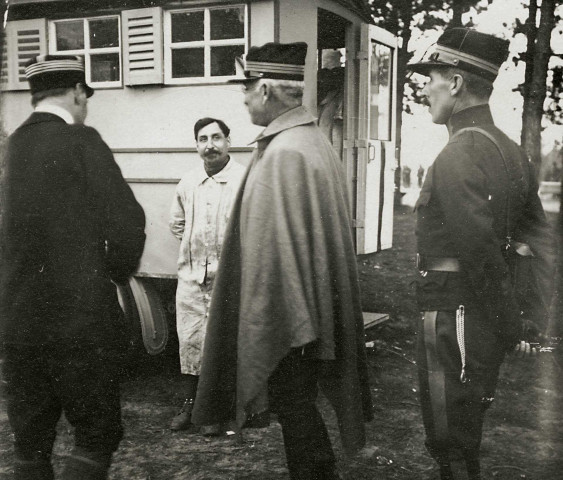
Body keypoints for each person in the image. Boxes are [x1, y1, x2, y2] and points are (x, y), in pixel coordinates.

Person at [191, 42, 372, 479]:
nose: (245, 98)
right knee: (298, 411)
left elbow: (277, 256)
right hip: (306, 311)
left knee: (295, 409)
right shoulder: (307, 140)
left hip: (292, 320)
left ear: (267, 88)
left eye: (247, 89)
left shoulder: (286, 151)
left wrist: (276, 323)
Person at [407, 29, 555, 480]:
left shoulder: (457, 154)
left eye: (430, 76)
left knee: (450, 439)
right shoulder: (511, 152)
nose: (424, 88)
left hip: (454, 318)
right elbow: (540, 247)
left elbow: (480, 253)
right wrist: (527, 319)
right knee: (465, 432)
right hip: (483, 319)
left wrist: (514, 327)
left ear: (454, 82)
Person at [0, 55, 146, 480]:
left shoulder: (9, 149)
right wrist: (110, 277)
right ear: (78, 92)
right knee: (97, 434)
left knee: (30, 443)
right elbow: (127, 225)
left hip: (17, 326)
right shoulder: (82, 140)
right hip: (80, 325)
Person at [168, 117, 245, 433]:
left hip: (230, 281)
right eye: (203, 139)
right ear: (196, 145)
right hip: (191, 278)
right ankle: (190, 407)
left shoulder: (244, 179)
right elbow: (177, 223)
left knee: (225, 345)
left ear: (228, 140)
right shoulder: (188, 181)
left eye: (216, 137)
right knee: (190, 342)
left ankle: (219, 413)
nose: (210, 145)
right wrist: (193, 250)